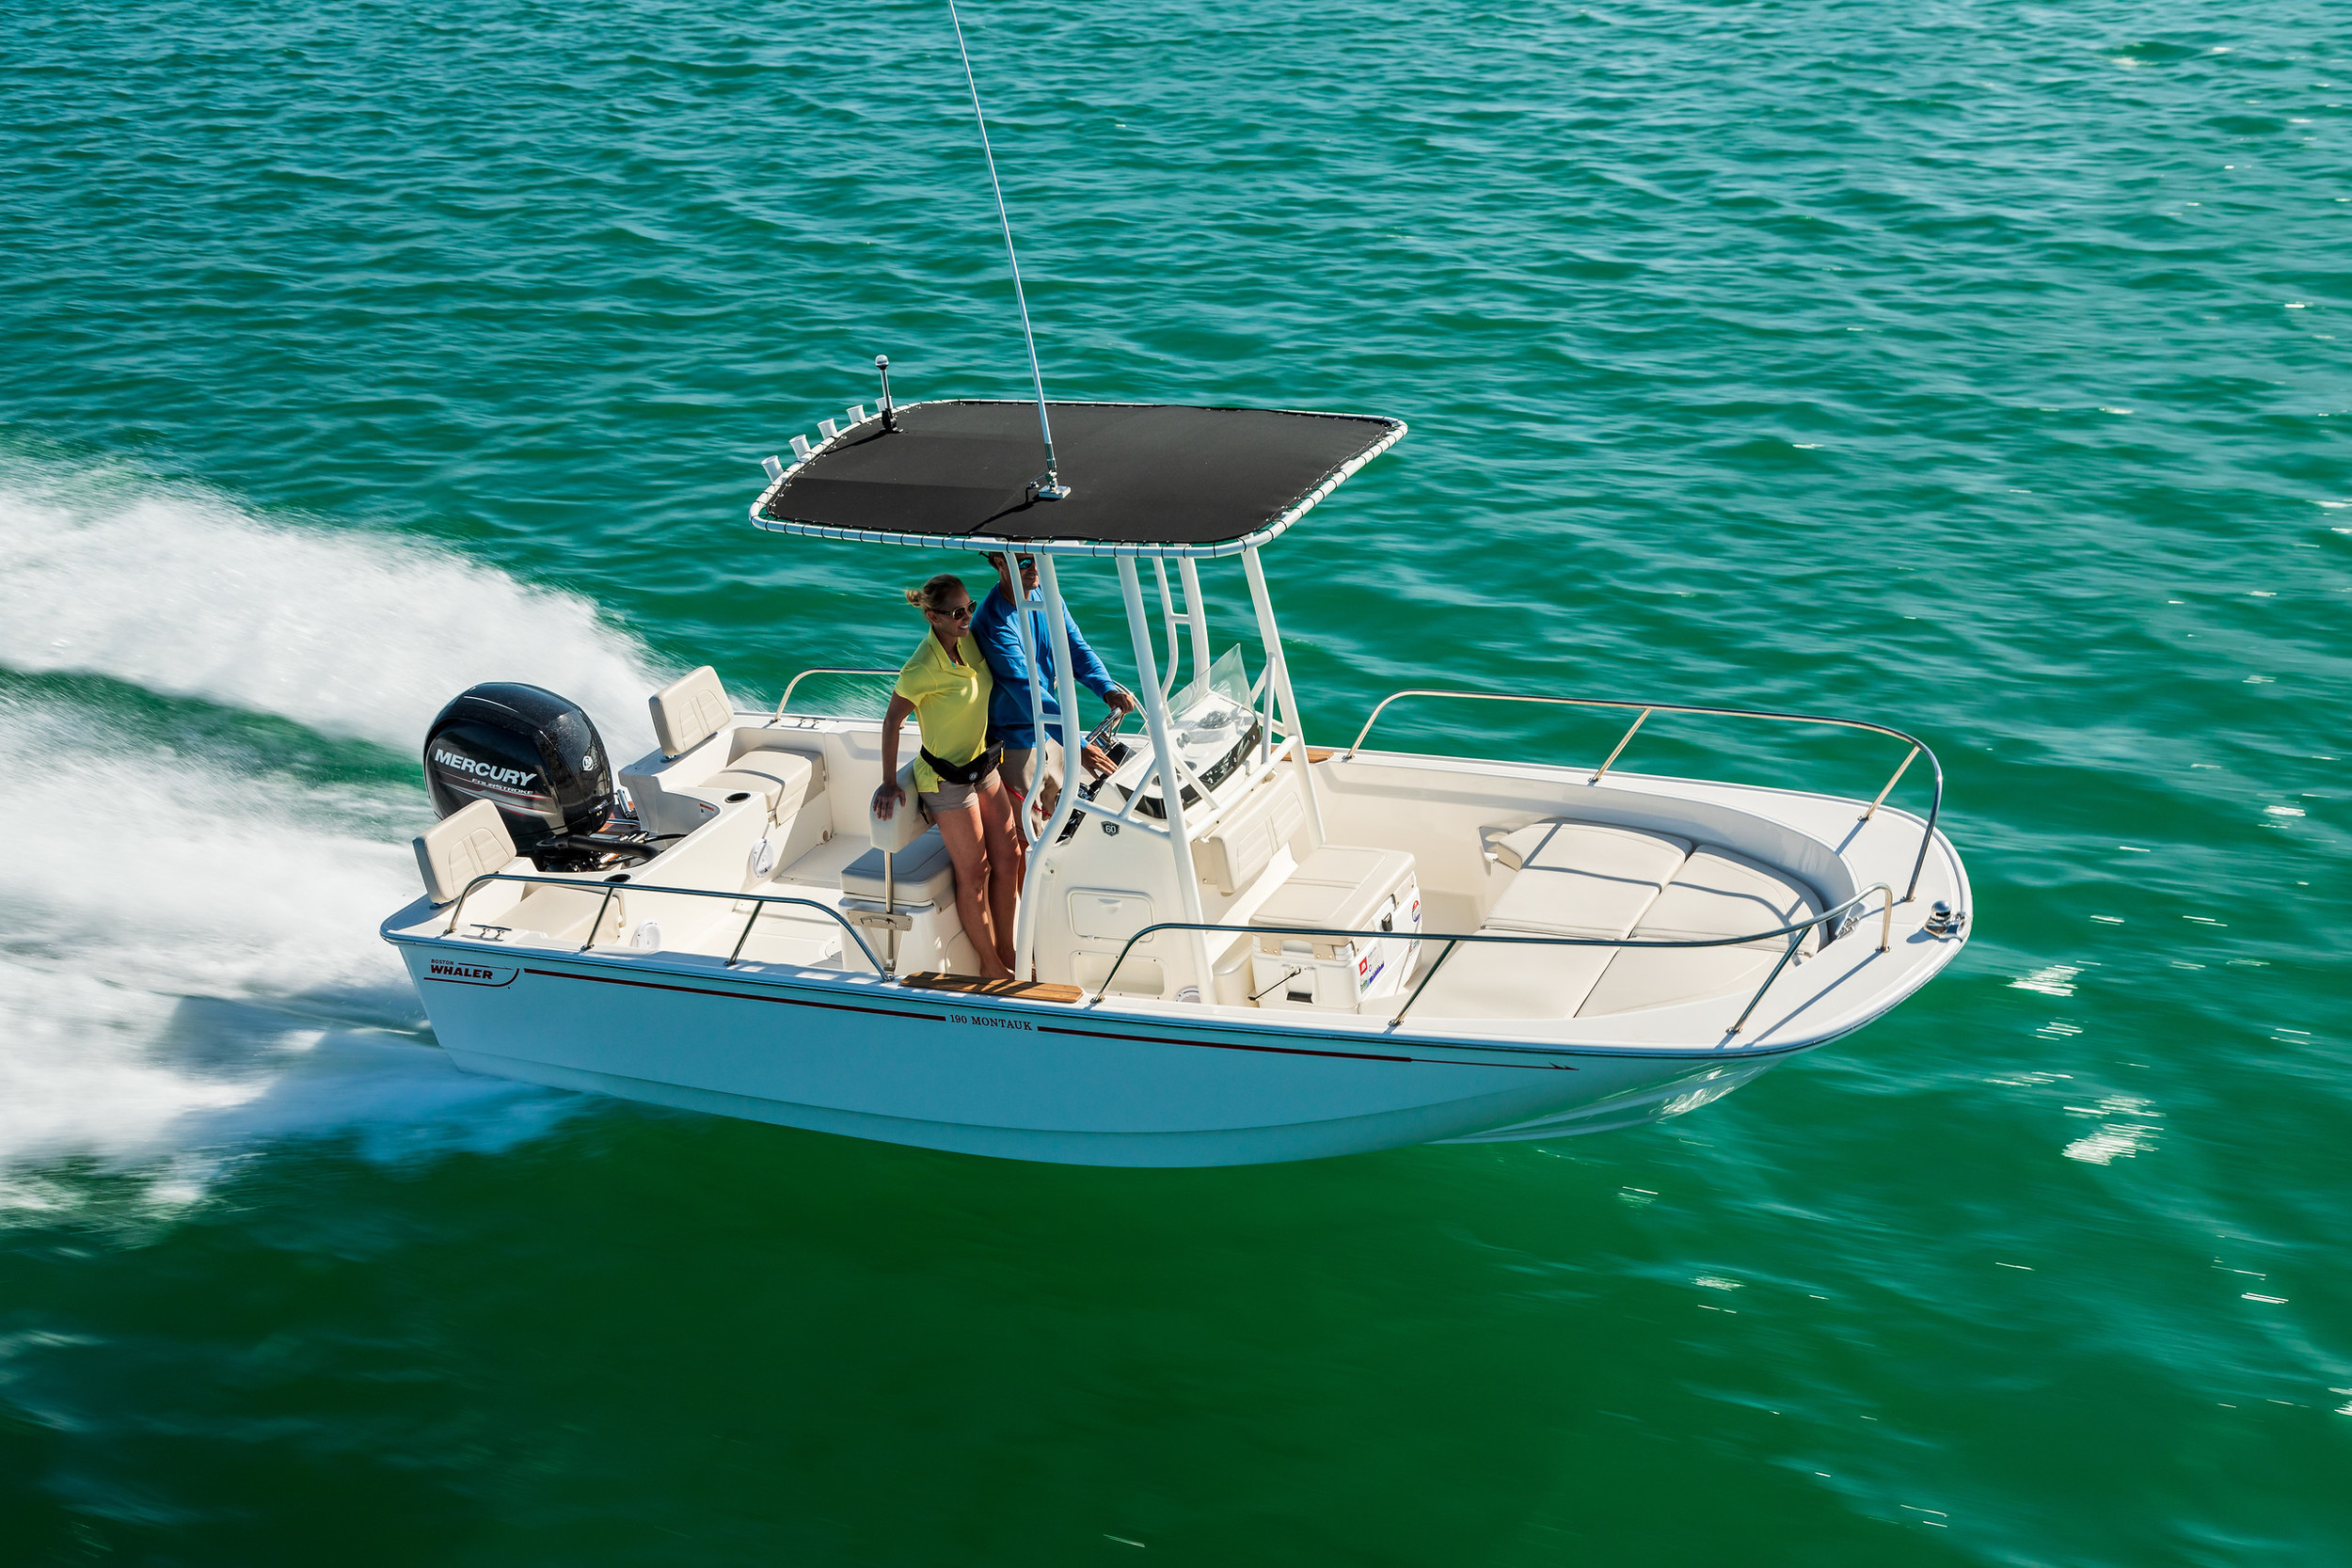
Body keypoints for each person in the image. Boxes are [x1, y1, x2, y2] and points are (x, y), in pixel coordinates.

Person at [874, 574, 1023, 981]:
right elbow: (891, 722)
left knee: (1010, 856)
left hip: (983, 764)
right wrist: (889, 781)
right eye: (957, 612)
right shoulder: (920, 669)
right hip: (945, 780)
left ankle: (1008, 946)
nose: (967, 616)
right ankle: (990, 964)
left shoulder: (970, 641)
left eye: (970, 608)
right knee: (975, 872)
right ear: (931, 616)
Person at [972, 551, 1137, 817]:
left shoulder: (1048, 597)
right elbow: (1028, 691)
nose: (1035, 567)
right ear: (1000, 562)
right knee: (1028, 830)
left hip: (1052, 734)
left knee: (1058, 816)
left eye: (1038, 558)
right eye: (1024, 561)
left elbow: (1075, 648)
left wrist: (1107, 689)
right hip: (1016, 745)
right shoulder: (994, 624)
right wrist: (1078, 747)